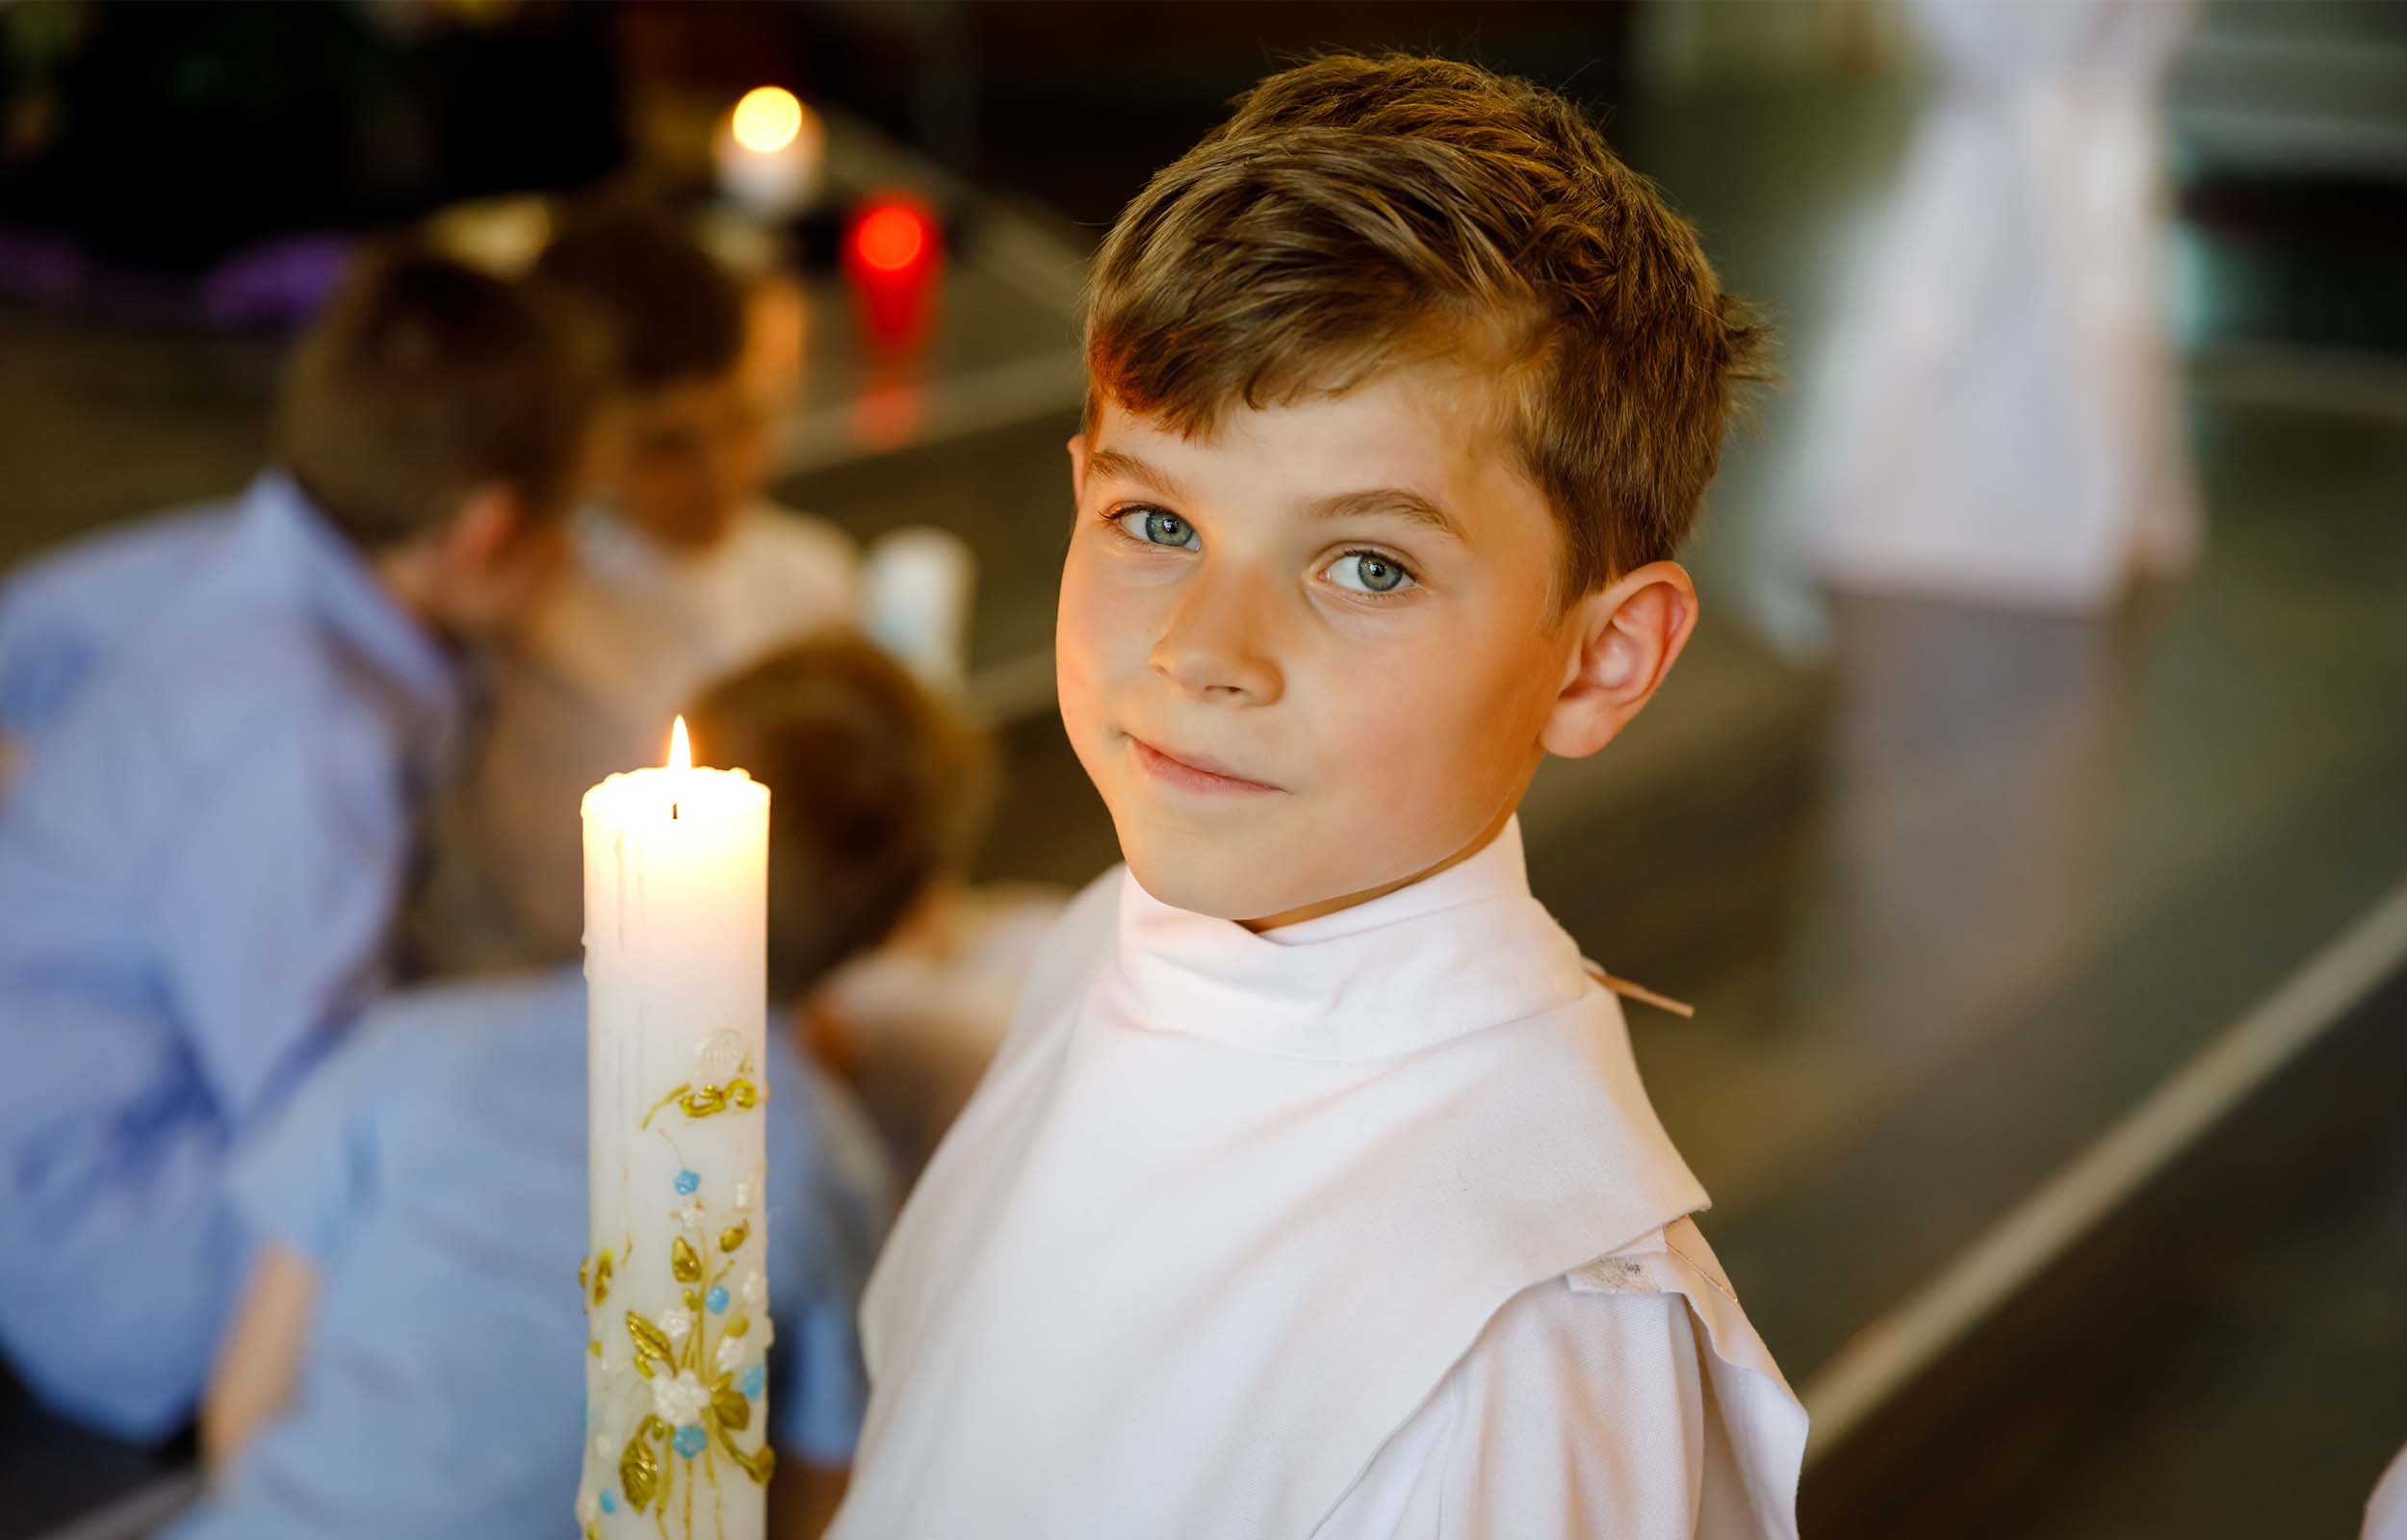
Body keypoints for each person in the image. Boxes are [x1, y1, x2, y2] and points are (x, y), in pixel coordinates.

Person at [827, 52, 1807, 1539]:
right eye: (1156, 519)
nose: (1203, 650)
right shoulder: (1109, 934)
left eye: (1368, 566)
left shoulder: (1509, 1343)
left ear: (1601, 661)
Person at [168, 629, 994, 1540]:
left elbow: (243, 1413)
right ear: (900, 918)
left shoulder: (414, 1051)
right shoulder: (824, 1171)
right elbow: (816, 1499)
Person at [0, 245, 603, 1439]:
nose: (578, 558)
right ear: (485, 532)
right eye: (569, 519)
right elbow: (315, 1108)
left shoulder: (253, 571)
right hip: (116, 1244)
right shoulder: (303, 742)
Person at [409, 197, 862, 975]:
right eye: (667, 447)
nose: (720, 475)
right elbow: (548, 908)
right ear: (575, 438)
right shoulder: (525, 626)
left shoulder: (812, 573)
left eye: (742, 423)